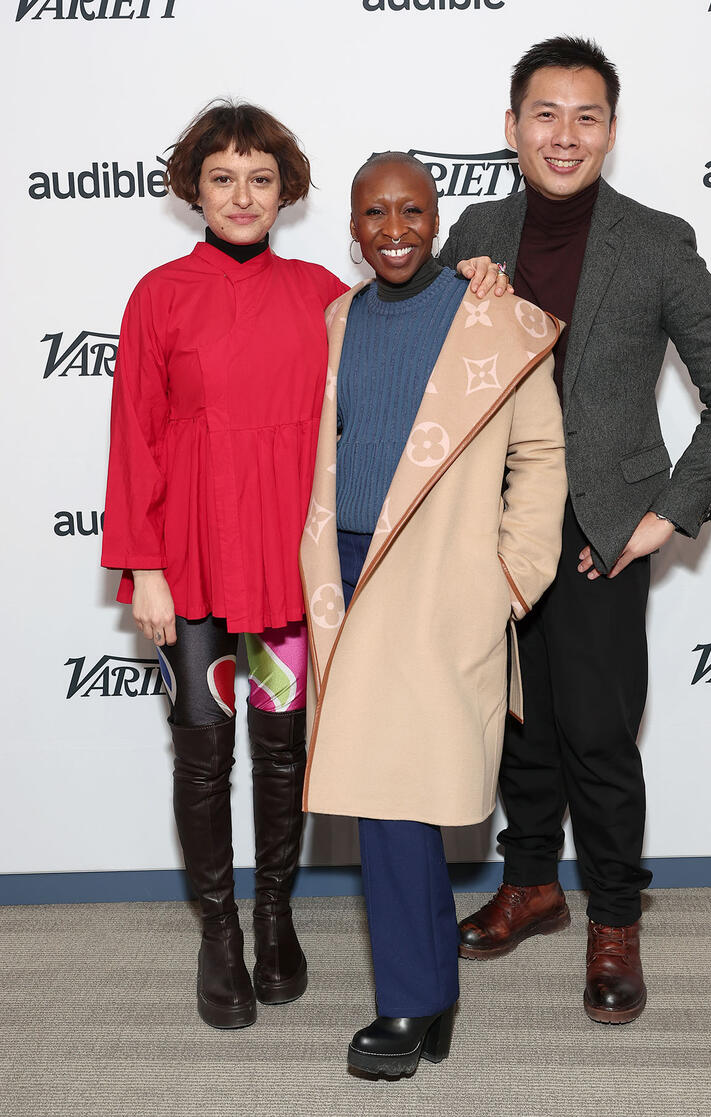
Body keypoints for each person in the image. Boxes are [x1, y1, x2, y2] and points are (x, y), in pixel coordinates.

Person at [439, 37, 711, 1024]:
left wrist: (663, 515)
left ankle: (615, 916)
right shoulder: (473, 230)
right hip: (494, 528)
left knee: (596, 731)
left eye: (586, 116)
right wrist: (454, 309)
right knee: (513, 724)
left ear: (610, 132)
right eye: (545, 113)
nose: (564, 134)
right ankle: (532, 881)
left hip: (599, 532)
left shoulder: (657, 240)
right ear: (510, 128)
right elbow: (435, 384)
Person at [299, 152, 567, 1077]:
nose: (396, 230)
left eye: (412, 211)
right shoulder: (336, 319)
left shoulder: (493, 318)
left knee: (396, 793)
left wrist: (509, 577)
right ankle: (424, 999)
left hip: (442, 574)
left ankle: (411, 1002)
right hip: (347, 571)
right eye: (375, 214)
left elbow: (540, 454)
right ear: (353, 225)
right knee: (386, 796)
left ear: (437, 215)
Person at [101, 101, 350, 1029]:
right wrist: (145, 568)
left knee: (282, 754)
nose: (242, 196)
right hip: (194, 564)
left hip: (287, 566)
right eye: (222, 178)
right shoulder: (159, 295)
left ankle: (276, 915)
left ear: (285, 190)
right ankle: (219, 933)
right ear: (193, 189)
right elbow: (135, 439)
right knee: (203, 752)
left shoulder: (325, 292)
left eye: (260, 178)